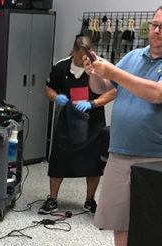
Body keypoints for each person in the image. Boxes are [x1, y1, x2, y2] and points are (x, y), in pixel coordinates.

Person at [83, 3, 162, 246]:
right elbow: (103, 88)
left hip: (156, 155)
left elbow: (158, 94)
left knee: (151, 216)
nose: (155, 31)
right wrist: (96, 72)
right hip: (120, 149)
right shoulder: (134, 56)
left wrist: (114, 72)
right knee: (120, 215)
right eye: (153, 25)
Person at [41, 36, 116, 215]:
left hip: (93, 121)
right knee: (59, 159)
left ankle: (89, 200)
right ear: (73, 51)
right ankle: (52, 199)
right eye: (81, 57)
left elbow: (113, 92)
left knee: (94, 162)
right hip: (68, 120)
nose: (84, 61)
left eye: (87, 57)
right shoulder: (61, 66)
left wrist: (93, 103)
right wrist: (56, 98)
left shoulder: (102, 66)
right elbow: (49, 88)